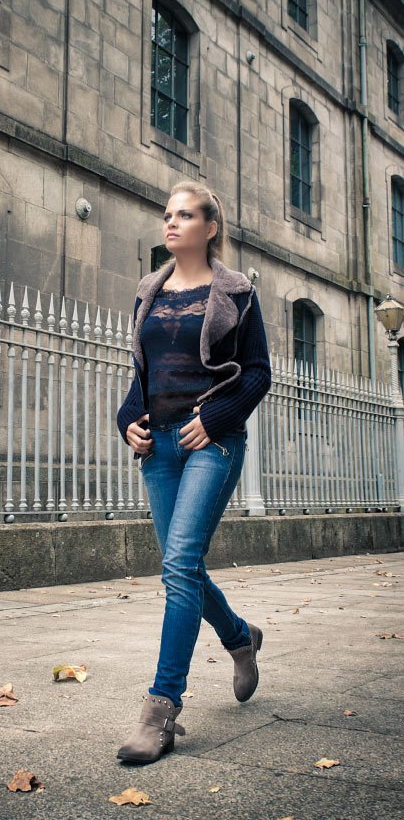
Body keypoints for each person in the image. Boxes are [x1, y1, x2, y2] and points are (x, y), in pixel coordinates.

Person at [115, 180, 272, 764]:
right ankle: (240, 637)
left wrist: (216, 417)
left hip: (212, 441)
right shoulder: (148, 292)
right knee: (183, 568)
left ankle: (160, 711)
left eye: (184, 215)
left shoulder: (237, 293)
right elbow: (144, 373)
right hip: (158, 446)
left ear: (210, 227)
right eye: (168, 214)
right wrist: (127, 420)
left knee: (180, 565)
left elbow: (257, 372)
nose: (172, 223)